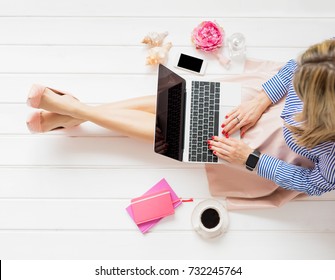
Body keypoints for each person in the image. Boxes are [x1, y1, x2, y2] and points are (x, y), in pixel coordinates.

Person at [26, 39, 335, 202]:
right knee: (186, 102)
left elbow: (314, 183)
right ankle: (74, 112)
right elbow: (295, 65)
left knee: (184, 130)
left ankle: (74, 111)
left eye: (303, 89)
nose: (297, 83)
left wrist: (251, 159)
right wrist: (265, 98)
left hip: (275, 152)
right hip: (264, 106)